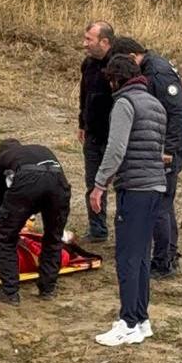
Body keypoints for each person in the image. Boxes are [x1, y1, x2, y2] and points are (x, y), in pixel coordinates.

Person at [91, 56, 166, 346]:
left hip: (134, 189)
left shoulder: (125, 103)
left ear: (116, 79)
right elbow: (157, 149)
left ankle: (128, 322)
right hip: (154, 188)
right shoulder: (155, 104)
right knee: (141, 257)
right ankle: (141, 319)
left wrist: (99, 185)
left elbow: (116, 149)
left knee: (127, 257)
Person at [110, 37, 182, 279]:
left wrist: (168, 149)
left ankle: (163, 262)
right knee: (164, 204)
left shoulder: (158, 73)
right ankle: (168, 253)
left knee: (160, 206)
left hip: (169, 148)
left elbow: (178, 112)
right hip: (160, 144)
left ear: (131, 57)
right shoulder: (150, 68)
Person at [0, 140, 71, 306]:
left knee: (6, 239)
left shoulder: (2, 160)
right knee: (53, 238)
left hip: (29, 182)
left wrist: (6, 221)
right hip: (58, 184)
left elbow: (2, 195)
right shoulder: (41, 148)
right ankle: (48, 288)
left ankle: (10, 292)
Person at [78, 20, 115, 242]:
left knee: (123, 185)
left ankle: (127, 226)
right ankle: (97, 229)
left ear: (105, 41)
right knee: (93, 183)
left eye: (89, 40)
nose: (85, 44)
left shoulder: (119, 65)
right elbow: (84, 95)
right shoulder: (88, 64)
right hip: (93, 135)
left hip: (115, 137)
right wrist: (82, 123)